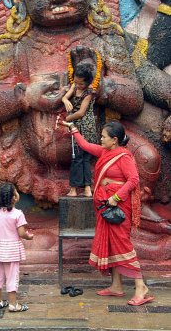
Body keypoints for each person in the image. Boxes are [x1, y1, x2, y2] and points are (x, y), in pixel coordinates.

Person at [61, 120, 154, 306]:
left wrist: (117, 197)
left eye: (104, 137)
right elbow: (86, 145)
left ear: (114, 139)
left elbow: (133, 180)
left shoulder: (124, 157)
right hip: (106, 206)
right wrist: (73, 128)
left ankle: (140, 287)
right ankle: (116, 286)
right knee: (112, 245)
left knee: (123, 245)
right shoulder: (105, 152)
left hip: (118, 207)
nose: (101, 139)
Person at [0, 182, 34, 312]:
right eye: (16, 192)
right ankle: (13, 305)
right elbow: (21, 233)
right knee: (12, 276)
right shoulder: (17, 214)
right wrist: (28, 237)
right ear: (14, 198)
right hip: (12, 251)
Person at [62, 63, 97, 197]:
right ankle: (75, 189)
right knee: (76, 157)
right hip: (75, 125)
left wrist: (68, 119)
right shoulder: (75, 84)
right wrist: (65, 100)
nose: (78, 86)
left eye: (81, 84)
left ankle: (86, 187)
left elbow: (81, 112)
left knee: (83, 158)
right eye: (76, 82)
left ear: (87, 82)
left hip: (85, 127)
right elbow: (65, 97)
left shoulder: (89, 92)